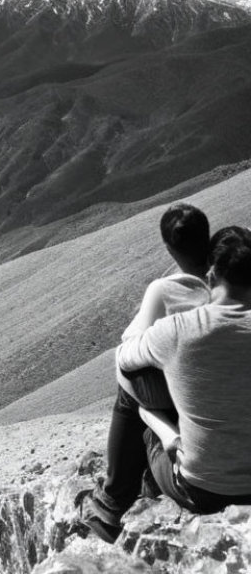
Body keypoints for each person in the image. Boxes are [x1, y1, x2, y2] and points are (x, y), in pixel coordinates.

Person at [79, 204, 212, 541]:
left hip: (203, 474)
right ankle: (147, 482)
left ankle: (111, 505)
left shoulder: (164, 290)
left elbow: (131, 348)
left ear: (169, 248)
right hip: (221, 398)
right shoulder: (230, 282)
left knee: (131, 389)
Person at [115, 226, 251, 514]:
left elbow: (124, 359)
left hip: (202, 491)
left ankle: (115, 504)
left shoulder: (177, 330)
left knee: (134, 384)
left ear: (210, 277)